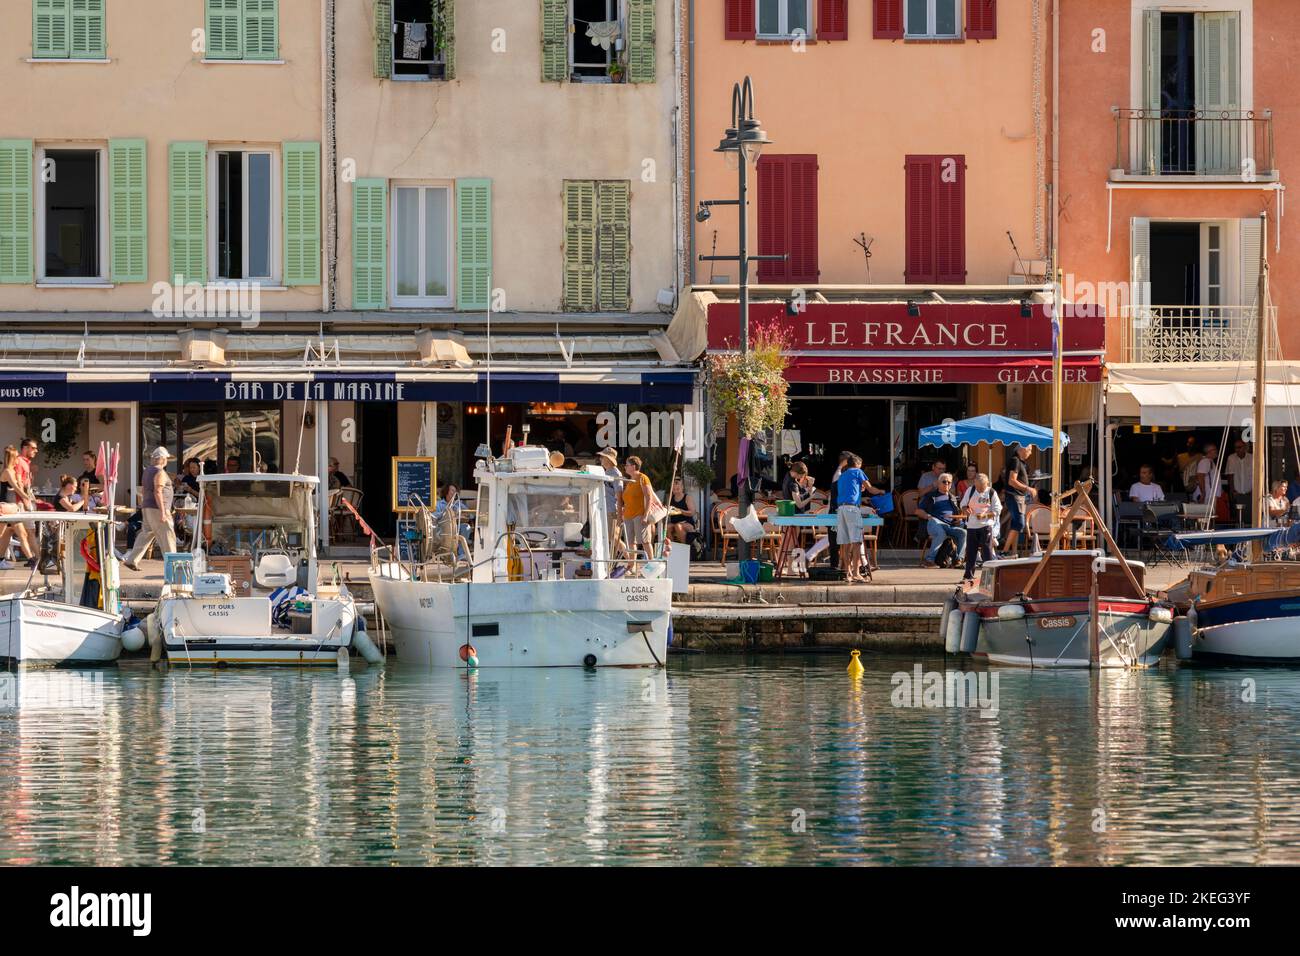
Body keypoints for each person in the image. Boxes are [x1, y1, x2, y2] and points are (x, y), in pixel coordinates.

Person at [122, 447, 177, 570]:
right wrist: (163, 512)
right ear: (162, 459)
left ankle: (132, 560)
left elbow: (145, 490)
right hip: (157, 508)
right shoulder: (160, 472)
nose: (167, 461)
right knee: (167, 535)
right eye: (166, 459)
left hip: (147, 507)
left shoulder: (147, 471)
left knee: (146, 533)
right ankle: (173, 566)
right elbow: (158, 491)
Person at [959, 472, 1001, 585]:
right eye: (978, 487)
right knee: (971, 551)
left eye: (982, 488)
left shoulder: (991, 492)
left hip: (986, 525)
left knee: (986, 552)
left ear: (987, 484)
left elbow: (997, 510)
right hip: (972, 525)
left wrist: (985, 515)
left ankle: (989, 577)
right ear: (975, 484)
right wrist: (965, 509)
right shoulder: (970, 490)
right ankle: (968, 576)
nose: (980, 490)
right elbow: (963, 504)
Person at [918, 473, 967, 569]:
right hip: (935, 521)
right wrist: (928, 516)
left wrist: (959, 519)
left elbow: (959, 513)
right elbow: (918, 510)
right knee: (941, 533)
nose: (947, 484)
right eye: (944, 482)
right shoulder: (931, 496)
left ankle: (958, 560)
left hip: (950, 525)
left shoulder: (953, 498)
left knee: (963, 533)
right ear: (938, 483)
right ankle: (929, 560)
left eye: (949, 482)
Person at [836, 454, 870, 582]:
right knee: (856, 543)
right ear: (858, 464)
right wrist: (882, 492)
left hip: (841, 509)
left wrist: (860, 492)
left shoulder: (842, 475)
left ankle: (848, 573)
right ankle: (856, 573)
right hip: (852, 509)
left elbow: (849, 491)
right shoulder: (857, 471)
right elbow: (870, 488)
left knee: (845, 543)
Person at [0, 445, 36, 569]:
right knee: (20, 533)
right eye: (16, 458)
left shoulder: (11, 471)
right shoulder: (7, 471)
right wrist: (28, 499)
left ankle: (1, 560)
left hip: (8, 508)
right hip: (6, 507)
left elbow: (18, 486)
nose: (18, 460)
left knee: (8, 534)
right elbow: (16, 489)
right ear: (13, 458)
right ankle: (32, 559)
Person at [621, 456, 658, 563]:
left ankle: (651, 564)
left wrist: (646, 515)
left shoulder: (643, 478)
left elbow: (649, 496)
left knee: (645, 541)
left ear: (633, 466)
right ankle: (632, 565)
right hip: (628, 515)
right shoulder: (630, 481)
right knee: (631, 542)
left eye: (627, 465)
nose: (625, 467)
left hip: (639, 514)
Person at [1002, 445, 1032, 557]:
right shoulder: (1015, 461)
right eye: (1029, 450)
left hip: (1018, 497)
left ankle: (1008, 552)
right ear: (1021, 449)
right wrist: (1028, 488)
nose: (1030, 453)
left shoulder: (1020, 462)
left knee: (1016, 524)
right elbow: (1012, 481)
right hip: (1014, 496)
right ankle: (1004, 551)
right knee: (1019, 523)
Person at [597, 447, 623, 556]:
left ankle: (630, 559)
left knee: (614, 537)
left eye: (603, 457)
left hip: (612, 510)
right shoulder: (606, 472)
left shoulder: (616, 474)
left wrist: (619, 514)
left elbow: (619, 494)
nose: (601, 459)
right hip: (605, 509)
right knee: (610, 537)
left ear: (609, 459)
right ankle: (612, 562)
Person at [1224, 439, 1254, 522]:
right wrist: (1232, 491)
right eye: (1235, 448)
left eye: (1239, 447)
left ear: (1245, 447)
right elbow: (1230, 475)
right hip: (1237, 493)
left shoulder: (1252, 458)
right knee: (1238, 517)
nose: (1237, 449)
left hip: (1250, 493)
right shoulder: (1231, 458)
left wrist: (1254, 490)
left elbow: (1256, 475)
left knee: (1250, 516)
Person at [667, 476, 699, 546]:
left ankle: (685, 547)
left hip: (687, 522)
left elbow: (692, 513)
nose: (675, 489)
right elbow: (668, 510)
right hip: (674, 522)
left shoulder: (687, 498)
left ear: (682, 487)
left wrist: (680, 511)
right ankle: (673, 548)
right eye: (674, 487)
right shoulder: (670, 498)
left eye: (678, 487)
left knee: (678, 526)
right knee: (667, 527)